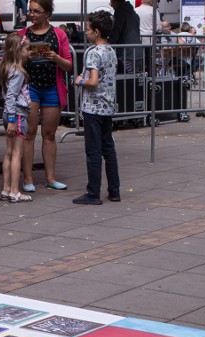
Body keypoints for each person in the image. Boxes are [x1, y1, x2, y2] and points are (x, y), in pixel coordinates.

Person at [18, 0, 73, 193]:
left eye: (36, 11)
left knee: (49, 134)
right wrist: (25, 57)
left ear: (47, 13)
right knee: (29, 133)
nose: (32, 14)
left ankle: (50, 177)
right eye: (30, 11)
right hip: (29, 88)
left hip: (52, 87)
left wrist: (55, 57)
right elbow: (12, 61)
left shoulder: (59, 34)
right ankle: (28, 178)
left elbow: (68, 65)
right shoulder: (23, 35)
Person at [72, 10, 119, 206]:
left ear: (97, 31)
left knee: (93, 151)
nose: (86, 32)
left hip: (93, 108)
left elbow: (93, 81)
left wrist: (80, 81)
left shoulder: (93, 53)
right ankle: (114, 190)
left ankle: (93, 193)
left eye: (89, 29)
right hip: (108, 106)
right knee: (108, 149)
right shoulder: (111, 50)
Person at [0, 34, 33, 203]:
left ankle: (6, 189)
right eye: (27, 48)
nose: (29, 51)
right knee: (17, 154)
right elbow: (11, 96)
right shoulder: (18, 72)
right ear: (18, 50)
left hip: (9, 114)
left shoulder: (6, 66)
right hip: (16, 115)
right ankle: (14, 191)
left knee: (9, 153)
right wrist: (13, 119)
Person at [108, 0, 141, 74]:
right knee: (135, 80)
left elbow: (115, 32)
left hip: (126, 53)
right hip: (138, 51)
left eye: (111, 3)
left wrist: (109, 43)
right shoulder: (134, 14)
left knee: (127, 80)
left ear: (116, 2)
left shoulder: (120, 13)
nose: (111, 6)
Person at [135, 0, 161, 77]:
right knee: (149, 61)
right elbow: (158, 28)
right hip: (150, 40)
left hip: (138, 40)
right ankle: (150, 78)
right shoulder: (154, 11)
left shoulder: (135, 10)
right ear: (151, 2)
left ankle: (140, 77)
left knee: (139, 61)